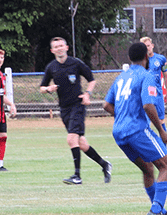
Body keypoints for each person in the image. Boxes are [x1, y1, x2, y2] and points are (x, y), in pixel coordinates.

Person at [103, 42, 167, 215]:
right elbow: (148, 105)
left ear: (129, 59)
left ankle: (159, 208)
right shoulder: (147, 76)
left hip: (119, 132)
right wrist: (161, 130)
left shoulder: (121, 77)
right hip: (136, 130)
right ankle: (155, 211)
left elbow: (106, 105)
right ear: (147, 56)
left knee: (147, 169)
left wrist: (121, 115)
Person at [39, 37, 112, 185]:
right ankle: (104, 164)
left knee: (71, 139)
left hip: (77, 106)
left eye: (61, 45)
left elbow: (91, 79)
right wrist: (48, 89)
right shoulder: (51, 67)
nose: (59, 48)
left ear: (66, 47)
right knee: (81, 143)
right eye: (56, 46)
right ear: (52, 50)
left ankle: (77, 176)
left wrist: (87, 94)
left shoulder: (76, 63)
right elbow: (42, 87)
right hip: (64, 108)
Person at [140, 36, 167, 128]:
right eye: (145, 46)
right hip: (145, 94)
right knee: (146, 120)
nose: (147, 48)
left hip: (158, 94)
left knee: (161, 120)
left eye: (148, 45)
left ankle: (163, 142)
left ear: (152, 46)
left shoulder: (161, 59)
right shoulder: (140, 61)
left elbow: (166, 75)